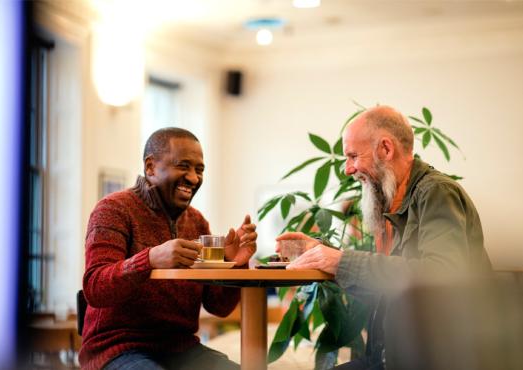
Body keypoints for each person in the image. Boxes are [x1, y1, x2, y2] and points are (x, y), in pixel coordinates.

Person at [277, 105, 491, 370]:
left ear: (386, 149)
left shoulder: (436, 193)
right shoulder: (390, 204)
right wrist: (322, 253)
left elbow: (441, 276)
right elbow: (388, 287)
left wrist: (341, 262)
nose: (347, 170)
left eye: (353, 156)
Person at [79, 127, 257, 370]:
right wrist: (150, 259)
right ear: (150, 167)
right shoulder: (113, 209)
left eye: (199, 170)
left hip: (182, 348)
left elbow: (219, 308)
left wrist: (234, 264)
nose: (194, 178)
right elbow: (95, 287)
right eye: (183, 166)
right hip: (117, 348)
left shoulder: (197, 221)